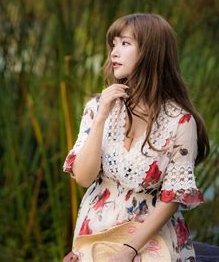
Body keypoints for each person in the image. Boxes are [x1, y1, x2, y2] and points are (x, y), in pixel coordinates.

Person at [62, 13, 210, 261]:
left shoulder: (180, 122)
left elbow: (171, 199)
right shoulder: (99, 107)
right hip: (96, 237)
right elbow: (84, 178)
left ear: (150, 52)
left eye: (125, 43)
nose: (114, 53)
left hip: (151, 240)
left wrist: (127, 251)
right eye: (113, 44)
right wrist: (100, 119)